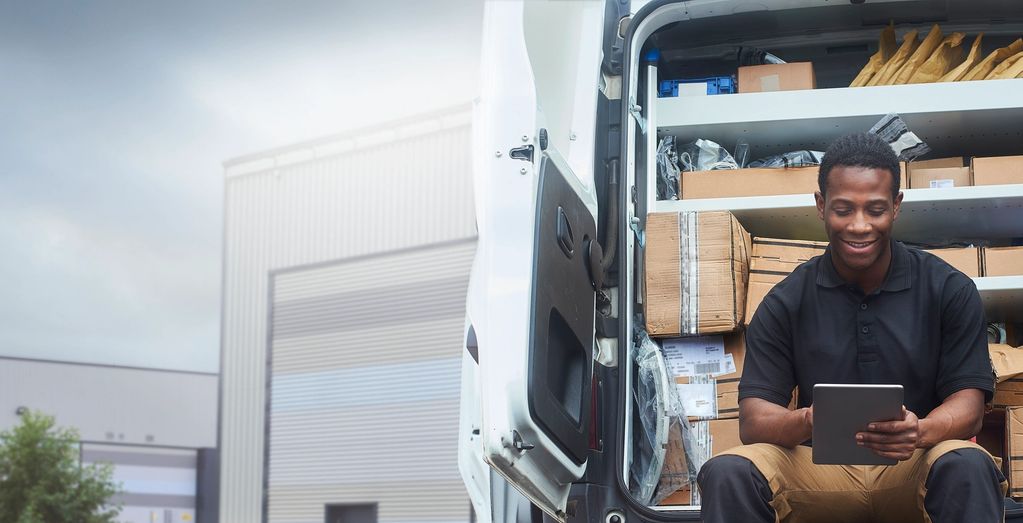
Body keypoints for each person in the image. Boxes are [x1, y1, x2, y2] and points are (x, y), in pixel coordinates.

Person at [696, 132, 1006, 523]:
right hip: (817, 470)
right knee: (730, 471)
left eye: (874, 210)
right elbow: (754, 421)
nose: (859, 226)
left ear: (896, 206)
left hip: (914, 463)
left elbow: (970, 408)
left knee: (967, 463)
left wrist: (920, 431)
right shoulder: (785, 301)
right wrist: (808, 419)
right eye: (844, 209)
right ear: (821, 206)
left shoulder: (948, 289)